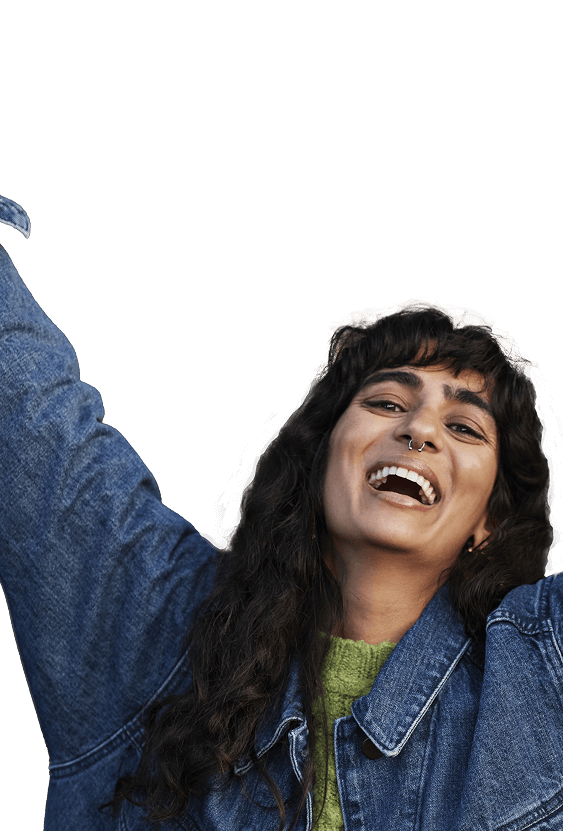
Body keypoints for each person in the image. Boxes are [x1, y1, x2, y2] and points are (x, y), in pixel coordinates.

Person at [1, 193, 561, 831]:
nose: (419, 429)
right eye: (384, 403)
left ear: (489, 520)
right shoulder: (160, 634)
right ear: (322, 458)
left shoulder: (541, 671)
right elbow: (30, 418)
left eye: (464, 425)